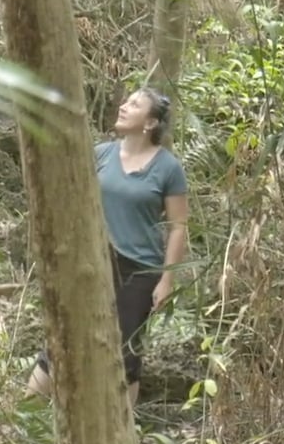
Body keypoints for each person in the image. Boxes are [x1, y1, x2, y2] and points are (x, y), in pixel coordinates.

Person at [28, 87, 189, 410]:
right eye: (126, 101)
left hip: (139, 271)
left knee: (125, 352)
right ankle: (25, 417)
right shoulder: (101, 154)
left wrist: (167, 281)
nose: (124, 106)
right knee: (62, 337)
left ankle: (122, 434)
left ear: (150, 123)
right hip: (92, 260)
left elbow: (178, 227)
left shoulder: (168, 169)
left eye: (134, 104)